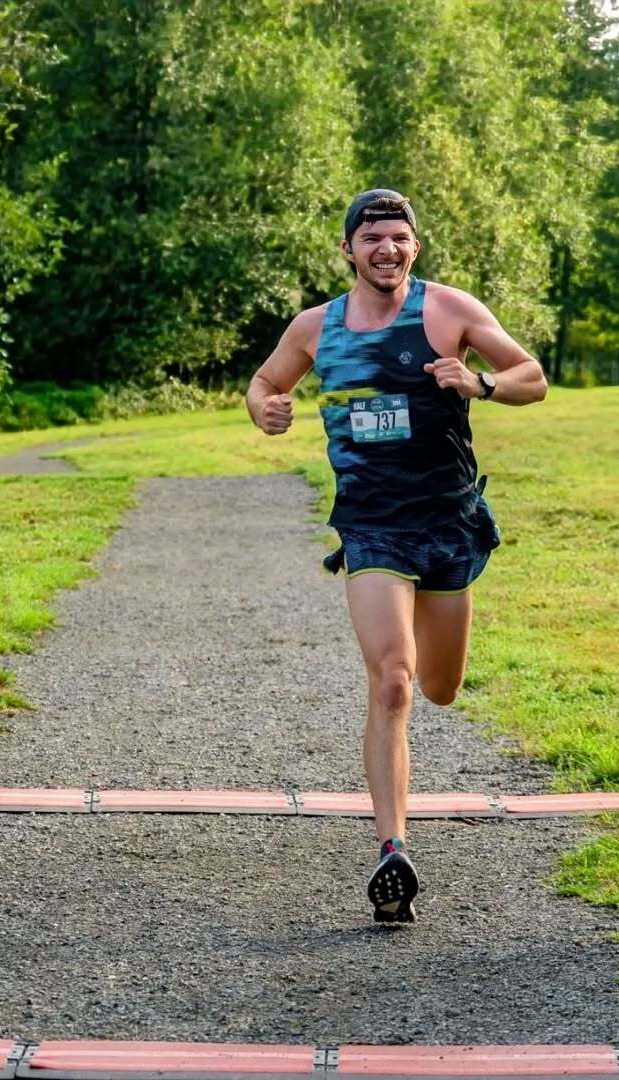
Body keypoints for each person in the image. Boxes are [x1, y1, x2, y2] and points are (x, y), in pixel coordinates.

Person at [246, 189, 547, 923]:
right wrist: (266, 409)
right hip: (372, 528)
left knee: (441, 686)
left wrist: (479, 382)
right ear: (348, 248)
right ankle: (392, 852)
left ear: (416, 247)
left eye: (399, 237)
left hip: (448, 523)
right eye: (372, 236)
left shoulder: (448, 311)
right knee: (393, 682)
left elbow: (532, 376)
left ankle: (397, 824)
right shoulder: (317, 328)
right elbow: (264, 382)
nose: (386, 248)